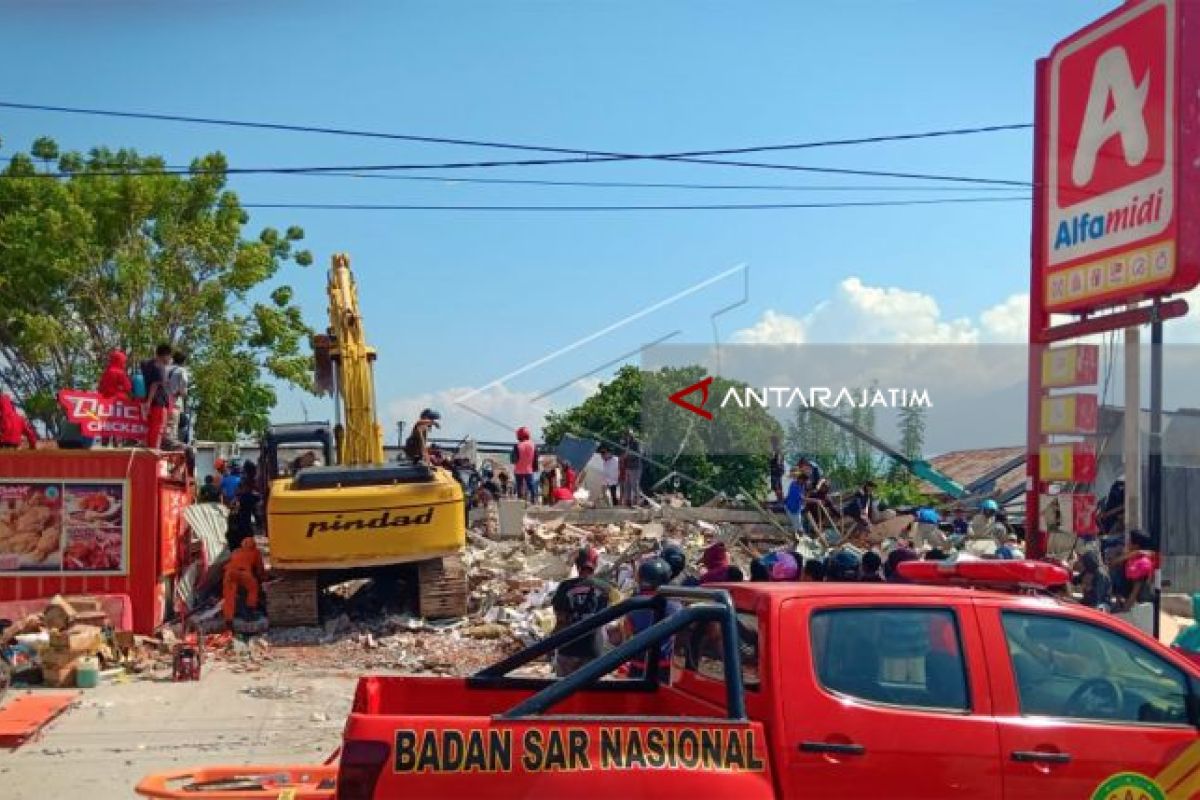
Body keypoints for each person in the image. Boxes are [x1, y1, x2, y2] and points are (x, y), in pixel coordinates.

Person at [612, 557, 681, 678]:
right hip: (664, 667)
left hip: (638, 666)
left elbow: (626, 634)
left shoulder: (633, 604)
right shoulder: (675, 606)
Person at [551, 547, 614, 676]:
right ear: (595, 565)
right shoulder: (605, 588)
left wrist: (551, 644)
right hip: (593, 649)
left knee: (564, 691)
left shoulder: (565, 587)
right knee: (591, 692)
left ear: (577, 564)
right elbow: (608, 617)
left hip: (568, 648)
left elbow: (560, 619)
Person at [223, 536, 266, 632]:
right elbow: (259, 569)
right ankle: (250, 611)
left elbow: (229, 561)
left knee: (229, 596)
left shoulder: (236, 551)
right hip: (244, 573)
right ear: (253, 545)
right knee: (253, 588)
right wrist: (263, 578)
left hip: (229, 573)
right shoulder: (256, 552)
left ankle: (228, 620)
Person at [139, 344, 174, 450]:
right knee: (158, 429)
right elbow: (155, 384)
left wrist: (147, 402)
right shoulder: (159, 366)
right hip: (158, 402)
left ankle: (149, 454)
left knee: (149, 430)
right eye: (169, 356)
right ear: (165, 355)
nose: (170, 359)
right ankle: (155, 453)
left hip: (147, 401)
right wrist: (149, 402)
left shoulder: (146, 364)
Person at [226, 478, 263, 551]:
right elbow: (258, 504)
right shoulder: (250, 496)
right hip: (245, 528)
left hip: (235, 529)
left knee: (236, 549)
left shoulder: (237, 498)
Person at [164, 350, 190, 448]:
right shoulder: (181, 371)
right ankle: (170, 445)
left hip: (162, 401)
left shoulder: (165, 368)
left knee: (163, 425)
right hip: (174, 402)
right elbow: (184, 391)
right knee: (172, 426)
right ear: (183, 361)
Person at [512, 426, 538, 503]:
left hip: (518, 470)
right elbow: (536, 457)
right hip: (529, 470)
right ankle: (534, 501)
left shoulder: (517, 446)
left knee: (519, 487)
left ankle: (520, 502)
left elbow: (514, 460)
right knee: (531, 485)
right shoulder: (533, 445)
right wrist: (535, 468)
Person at [620, 429, 643, 507]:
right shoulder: (627, 444)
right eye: (626, 435)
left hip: (635, 467)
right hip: (628, 467)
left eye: (628, 435)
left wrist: (627, 456)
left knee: (634, 485)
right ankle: (628, 502)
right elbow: (624, 453)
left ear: (631, 435)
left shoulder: (636, 443)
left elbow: (639, 454)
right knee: (627, 485)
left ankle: (638, 502)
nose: (626, 437)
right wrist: (623, 456)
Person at [784, 467, 806, 533]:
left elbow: (801, 497)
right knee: (797, 526)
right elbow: (796, 496)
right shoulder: (792, 483)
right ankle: (797, 536)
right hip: (790, 506)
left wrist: (803, 503)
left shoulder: (801, 486)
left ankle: (798, 536)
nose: (795, 476)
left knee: (798, 526)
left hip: (796, 508)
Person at [768, 436, 785, 503]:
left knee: (776, 486)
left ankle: (780, 500)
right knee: (778, 485)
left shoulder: (776, 449)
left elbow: (777, 459)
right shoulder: (779, 449)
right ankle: (781, 500)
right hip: (779, 469)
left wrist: (777, 465)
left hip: (776, 469)